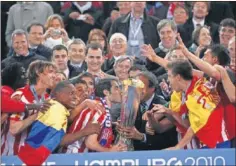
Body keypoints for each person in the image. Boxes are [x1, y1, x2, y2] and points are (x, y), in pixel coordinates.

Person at [163, 60, 230, 149]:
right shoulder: (193, 87)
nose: (168, 80)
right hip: (210, 142)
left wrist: (178, 147)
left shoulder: (196, 94)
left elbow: (195, 127)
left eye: (169, 76)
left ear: (178, 77)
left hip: (216, 144)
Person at [2, 60, 56, 156]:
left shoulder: (49, 99)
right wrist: (37, 115)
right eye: (51, 72)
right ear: (38, 73)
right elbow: (13, 129)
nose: (54, 76)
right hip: (11, 156)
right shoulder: (21, 95)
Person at [63, 78, 126, 153]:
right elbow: (90, 143)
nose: (120, 91)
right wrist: (109, 150)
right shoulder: (97, 107)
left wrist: (112, 125)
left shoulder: (100, 106)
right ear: (106, 92)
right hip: (75, 155)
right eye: (116, 88)